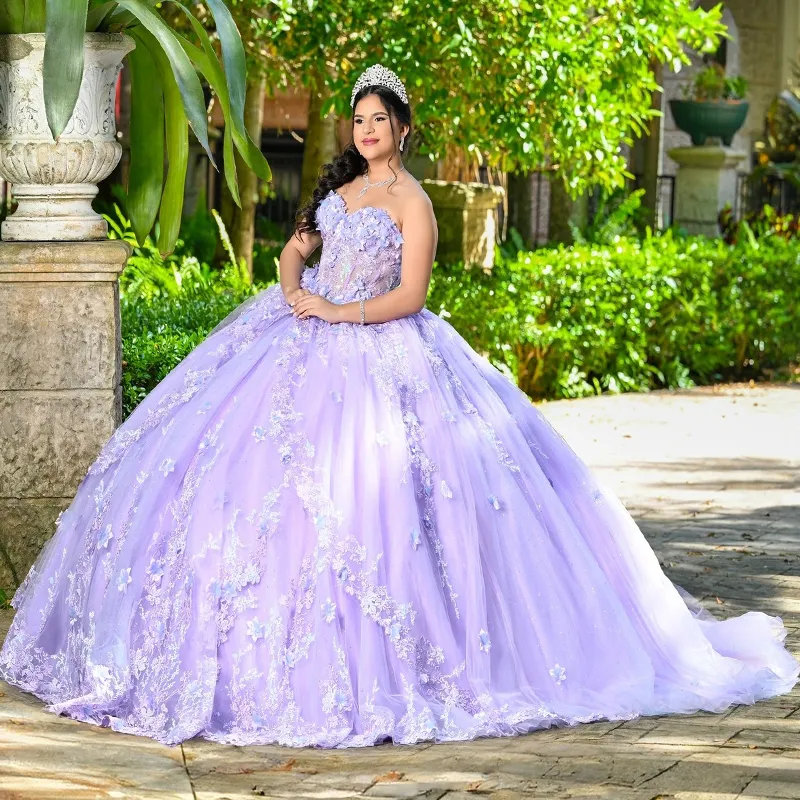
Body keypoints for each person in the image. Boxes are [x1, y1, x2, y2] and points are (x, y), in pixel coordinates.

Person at [1, 64, 797, 749]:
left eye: (380, 119)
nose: (368, 129)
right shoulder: (340, 186)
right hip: (301, 332)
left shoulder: (413, 204)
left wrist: (339, 315)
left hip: (382, 345)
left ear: (404, 129)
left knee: (394, 507)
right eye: (359, 118)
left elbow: (411, 295)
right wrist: (292, 292)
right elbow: (295, 246)